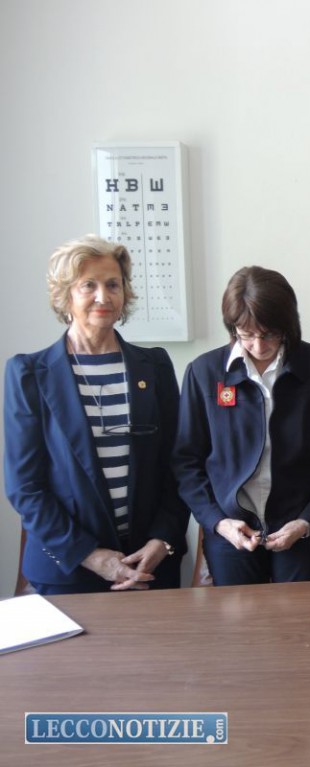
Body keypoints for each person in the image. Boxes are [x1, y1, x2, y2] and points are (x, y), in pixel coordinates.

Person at [5, 235, 187, 594]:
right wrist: (90, 555)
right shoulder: (29, 373)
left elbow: (177, 464)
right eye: (88, 285)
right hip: (70, 570)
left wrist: (162, 539)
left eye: (113, 285)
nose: (103, 297)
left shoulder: (155, 366)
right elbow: (25, 487)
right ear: (66, 294)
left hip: (149, 564)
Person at [174, 266, 310, 585]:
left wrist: (308, 520)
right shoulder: (204, 373)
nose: (259, 346)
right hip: (231, 529)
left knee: (301, 614)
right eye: (246, 334)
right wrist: (218, 522)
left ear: (288, 325)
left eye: (269, 334)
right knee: (239, 614)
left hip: (304, 527)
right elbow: (186, 461)